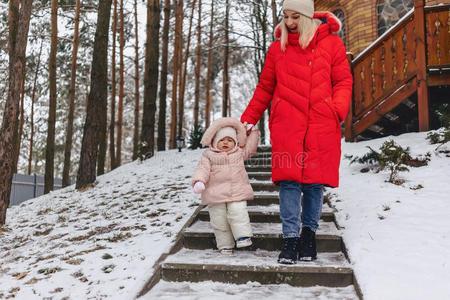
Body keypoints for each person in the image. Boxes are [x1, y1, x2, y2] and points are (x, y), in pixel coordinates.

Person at [240, 0, 353, 264]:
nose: (289, 22)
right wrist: (246, 120)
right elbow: (265, 88)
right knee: (289, 183)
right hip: (287, 124)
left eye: (295, 17)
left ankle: (308, 236)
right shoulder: (276, 49)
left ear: (308, 16)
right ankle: (290, 239)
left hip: (320, 123)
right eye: (285, 16)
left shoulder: (331, 44)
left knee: (314, 184)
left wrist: (335, 109)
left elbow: (343, 80)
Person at [192, 117, 260, 254]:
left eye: (230, 140)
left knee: (238, 212)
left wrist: (253, 133)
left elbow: (251, 148)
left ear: (235, 142)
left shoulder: (239, 153)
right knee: (219, 219)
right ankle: (225, 245)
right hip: (215, 193)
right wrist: (199, 181)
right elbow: (202, 169)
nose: (225, 143)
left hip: (237, 191)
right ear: (215, 141)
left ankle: (243, 237)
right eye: (222, 140)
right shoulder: (208, 155)